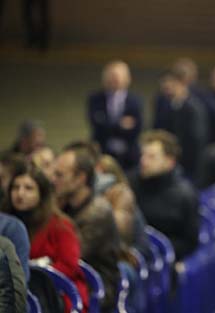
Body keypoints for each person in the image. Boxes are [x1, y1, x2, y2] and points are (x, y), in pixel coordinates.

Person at [2, 165, 89, 312]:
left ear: (41, 194)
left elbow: (69, 265)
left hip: (57, 292)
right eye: (15, 188)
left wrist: (37, 267)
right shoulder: (5, 225)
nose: (20, 193)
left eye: (28, 188)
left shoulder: (60, 225)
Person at [53, 147, 121, 312]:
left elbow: (71, 256)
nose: (53, 180)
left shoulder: (98, 213)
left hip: (98, 287)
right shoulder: (63, 206)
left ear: (80, 178)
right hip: (70, 281)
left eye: (60, 175)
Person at [128, 130, 200, 261]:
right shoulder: (130, 184)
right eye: (143, 155)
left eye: (151, 157)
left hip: (166, 261)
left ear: (169, 161)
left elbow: (190, 242)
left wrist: (158, 250)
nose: (143, 161)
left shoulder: (185, 194)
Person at [87, 60, 143, 171]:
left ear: (128, 78)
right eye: (112, 76)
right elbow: (96, 125)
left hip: (129, 157)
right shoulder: (95, 99)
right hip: (102, 152)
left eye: (119, 76)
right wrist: (120, 125)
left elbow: (137, 128)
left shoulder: (135, 101)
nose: (115, 79)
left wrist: (108, 123)